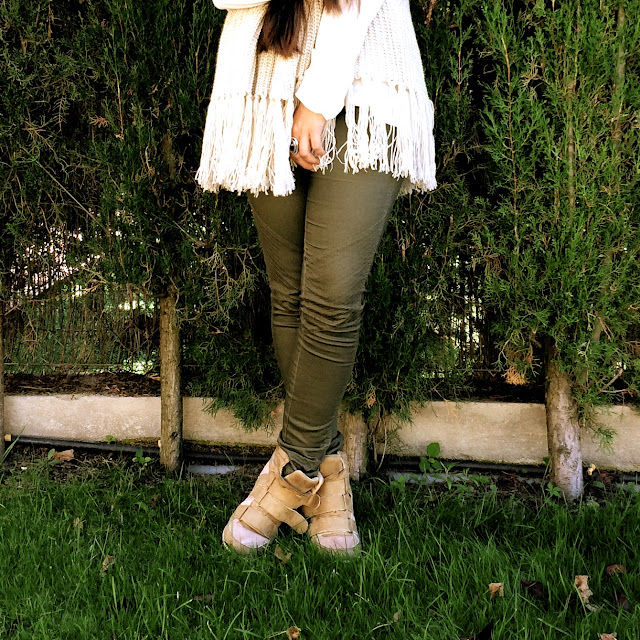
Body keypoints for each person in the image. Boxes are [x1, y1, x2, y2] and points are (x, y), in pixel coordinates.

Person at [196, 0, 437, 555]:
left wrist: (319, 99)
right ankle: (328, 481)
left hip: (368, 82)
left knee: (333, 298)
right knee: (291, 296)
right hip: (263, 82)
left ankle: (285, 482)